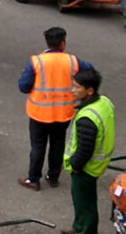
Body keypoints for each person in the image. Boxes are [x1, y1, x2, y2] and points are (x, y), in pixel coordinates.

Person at [17, 27, 94, 191]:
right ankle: (53, 177)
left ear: (47, 42)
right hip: (63, 112)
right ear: (63, 43)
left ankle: (33, 179)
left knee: (38, 146)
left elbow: (23, 86)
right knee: (57, 144)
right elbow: (90, 71)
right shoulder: (74, 61)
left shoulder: (36, 61)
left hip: (39, 113)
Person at [62, 67, 115, 234]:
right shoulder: (104, 102)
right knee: (80, 199)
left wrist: (76, 166)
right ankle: (78, 226)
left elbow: (85, 149)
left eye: (77, 87)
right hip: (95, 165)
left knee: (86, 203)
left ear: (89, 91)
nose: (72, 90)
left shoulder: (87, 117)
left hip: (86, 168)